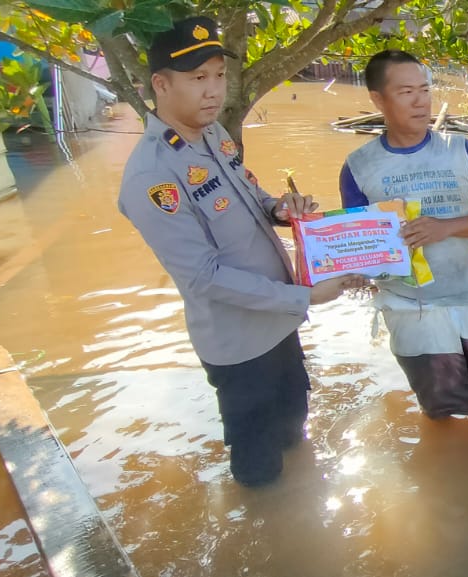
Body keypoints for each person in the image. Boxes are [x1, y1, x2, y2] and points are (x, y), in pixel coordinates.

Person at [118, 16, 365, 487]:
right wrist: (309, 297)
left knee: (295, 431)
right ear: (160, 85)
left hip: (279, 324)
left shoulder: (214, 136)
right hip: (239, 347)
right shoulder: (152, 177)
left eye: (219, 75)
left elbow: (250, 199)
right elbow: (203, 277)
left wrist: (280, 208)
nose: (213, 90)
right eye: (197, 79)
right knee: (258, 468)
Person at [339, 50, 468, 428]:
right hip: (407, 307)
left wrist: (445, 227)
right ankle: (448, 479)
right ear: (378, 99)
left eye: (425, 89)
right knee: (439, 412)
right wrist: (351, 271)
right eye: (406, 92)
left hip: (467, 299)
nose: (420, 101)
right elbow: (358, 243)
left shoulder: (460, 150)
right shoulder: (359, 167)